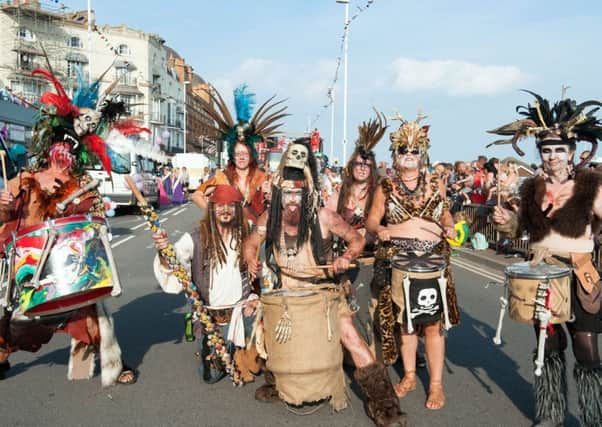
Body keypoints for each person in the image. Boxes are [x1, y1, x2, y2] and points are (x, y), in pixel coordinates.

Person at [244, 139, 407, 427]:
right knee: (267, 330)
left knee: (351, 336)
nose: (293, 199)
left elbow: (356, 239)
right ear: (279, 191)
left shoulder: (323, 217)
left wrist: (346, 256)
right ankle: (274, 381)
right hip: (286, 292)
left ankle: (384, 404)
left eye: (298, 193)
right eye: (288, 193)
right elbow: (252, 241)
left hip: (324, 292)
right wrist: (250, 258)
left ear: (307, 190)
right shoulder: (270, 218)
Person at [0, 66, 143, 385]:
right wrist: (4, 206)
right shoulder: (24, 181)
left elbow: (95, 227)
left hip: (69, 268)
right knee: (10, 322)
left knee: (93, 318)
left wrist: (98, 218)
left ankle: (107, 366)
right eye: (61, 144)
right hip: (28, 268)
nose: (65, 152)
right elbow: (5, 222)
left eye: (73, 148)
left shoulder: (83, 186)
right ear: (50, 145)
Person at [490, 91, 602, 427]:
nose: (552, 156)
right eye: (546, 149)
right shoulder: (530, 189)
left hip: (579, 275)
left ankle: (594, 415)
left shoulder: (591, 186)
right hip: (541, 276)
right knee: (548, 346)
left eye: (559, 150)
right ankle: (551, 413)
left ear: (571, 153)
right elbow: (520, 230)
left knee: (586, 348)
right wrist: (505, 223)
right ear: (540, 153)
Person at [365, 113, 459, 410]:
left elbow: (446, 215)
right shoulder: (385, 187)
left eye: (414, 150)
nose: (408, 155)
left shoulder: (435, 184)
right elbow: (370, 221)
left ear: (423, 154)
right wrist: (379, 229)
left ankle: (435, 385)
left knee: (432, 326)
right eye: (403, 150)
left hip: (433, 263)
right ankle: (408, 376)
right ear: (395, 154)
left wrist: (449, 225)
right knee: (406, 324)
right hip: (400, 263)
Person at [152, 184, 260, 383]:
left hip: (242, 313)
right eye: (220, 205)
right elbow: (176, 265)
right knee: (211, 376)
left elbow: (265, 269)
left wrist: (255, 299)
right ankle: (218, 349)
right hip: (211, 319)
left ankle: (243, 345)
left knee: (254, 366)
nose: (225, 210)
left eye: (231, 206)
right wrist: (163, 250)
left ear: (238, 208)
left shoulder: (248, 234)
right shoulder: (196, 238)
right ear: (211, 208)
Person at [192, 85, 285, 224]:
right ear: (232, 156)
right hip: (229, 233)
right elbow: (197, 196)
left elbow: (285, 199)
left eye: (245, 153)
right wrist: (213, 216)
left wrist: (271, 195)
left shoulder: (263, 177)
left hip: (255, 236)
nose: (241, 157)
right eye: (237, 154)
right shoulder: (221, 177)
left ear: (251, 154)